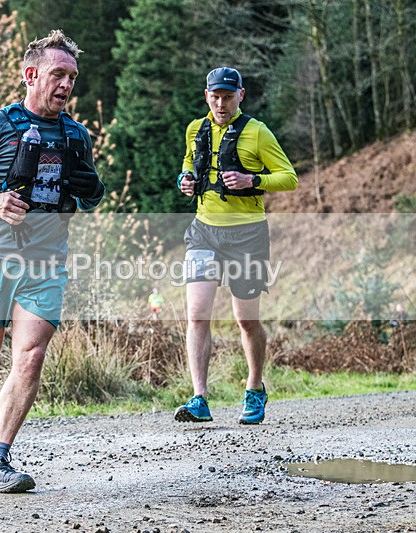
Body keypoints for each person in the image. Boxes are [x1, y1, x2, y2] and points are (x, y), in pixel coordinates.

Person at [0, 30, 105, 493]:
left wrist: (91, 189)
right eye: (58, 74)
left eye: (72, 77)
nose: (66, 84)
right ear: (31, 75)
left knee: (30, 355)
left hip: (46, 262)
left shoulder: (76, 136)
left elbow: (90, 196)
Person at [175, 67, 297, 425]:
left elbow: (289, 178)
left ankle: (255, 387)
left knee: (246, 320)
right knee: (197, 314)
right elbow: (188, 163)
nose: (221, 104)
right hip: (203, 233)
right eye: (215, 97)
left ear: (241, 95)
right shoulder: (195, 129)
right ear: (206, 96)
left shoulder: (257, 132)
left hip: (247, 235)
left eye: (228, 97)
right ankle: (199, 397)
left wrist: (251, 180)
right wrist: (185, 179)